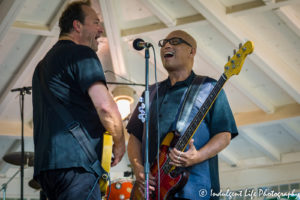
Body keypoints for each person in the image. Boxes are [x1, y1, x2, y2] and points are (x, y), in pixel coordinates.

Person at [126, 30, 238, 200]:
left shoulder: (209, 87)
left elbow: (224, 135)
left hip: (196, 189)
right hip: (153, 191)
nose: (167, 46)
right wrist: (138, 168)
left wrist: (198, 156)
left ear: (191, 51)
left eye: (175, 41)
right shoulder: (150, 93)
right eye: (164, 43)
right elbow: (134, 137)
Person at [32, 1, 125, 199]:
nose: (100, 29)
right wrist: (120, 142)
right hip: (77, 167)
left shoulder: (41, 67)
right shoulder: (82, 54)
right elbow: (105, 107)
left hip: (48, 169)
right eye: (95, 22)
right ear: (77, 26)